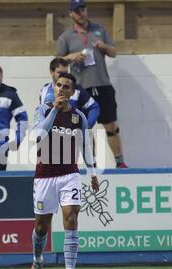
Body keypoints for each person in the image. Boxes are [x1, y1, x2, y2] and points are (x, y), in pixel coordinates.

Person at [29, 72, 99, 269]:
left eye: (66, 86)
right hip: (44, 176)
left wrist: (93, 173)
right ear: (54, 87)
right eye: (58, 85)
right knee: (42, 226)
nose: (61, 89)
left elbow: (86, 147)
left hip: (70, 174)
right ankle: (37, 259)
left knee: (71, 217)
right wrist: (54, 112)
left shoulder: (79, 117)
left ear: (72, 91)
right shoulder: (42, 110)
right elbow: (37, 136)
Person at [57, 0, 128, 168]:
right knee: (85, 128)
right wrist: (71, 56)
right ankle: (92, 164)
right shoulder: (65, 37)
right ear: (71, 14)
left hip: (102, 85)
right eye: (77, 10)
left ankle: (120, 162)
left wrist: (104, 46)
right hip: (80, 88)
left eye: (83, 9)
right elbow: (58, 60)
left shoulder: (100, 30)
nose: (81, 13)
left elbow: (114, 52)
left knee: (111, 125)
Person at [40, 57, 99, 129]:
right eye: (60, 73)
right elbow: (42, 113)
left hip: (70, 133)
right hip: (50, 134)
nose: (63, 75)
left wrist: (88, 126)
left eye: (65, 72)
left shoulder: (77, 90)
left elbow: (94, 107)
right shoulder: (44, 90)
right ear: (52, 73)